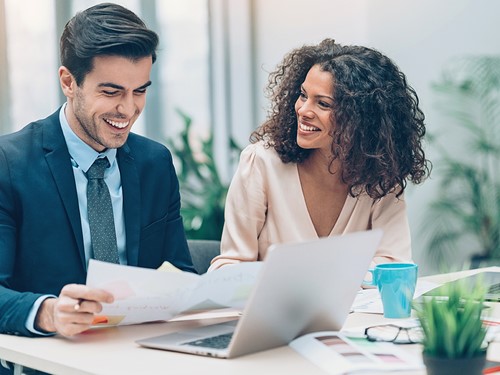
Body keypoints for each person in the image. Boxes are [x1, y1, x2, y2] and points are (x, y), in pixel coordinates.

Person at [0, 2, 195, 346]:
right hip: (51, 359)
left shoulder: (155, 163)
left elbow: (180, 274)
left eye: (140, 91)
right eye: (111, 91)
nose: (128, 109)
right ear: (68, 82)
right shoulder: (10, 163)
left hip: (143, 352)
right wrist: (49, 312)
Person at [209, 38, 430, 271]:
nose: (303, 110)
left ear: (362, 119)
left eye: (323, 104)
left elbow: (395, 265)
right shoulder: (261, 162)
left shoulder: (380, 177)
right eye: (303, 95)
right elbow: (228, 267)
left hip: (353, 309)